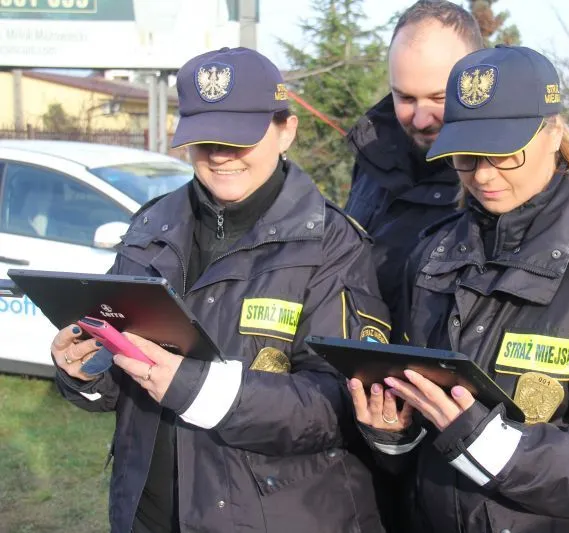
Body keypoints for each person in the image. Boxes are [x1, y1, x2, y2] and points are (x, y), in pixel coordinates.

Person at [350, 45, 569, 533]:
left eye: (504, 153)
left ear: (553, 132)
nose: (484, 175)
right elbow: (421, 440)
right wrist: (394, 436)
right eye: (466, 157)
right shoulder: (431, 256)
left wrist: (492, 445)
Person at [49, 47, 390, 533]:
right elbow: (119, 372)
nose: (221, 155)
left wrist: (198, 389)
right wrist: (85, 372)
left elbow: (340, 402)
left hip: (275, 517)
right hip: (148, 511)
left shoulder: (332, 244)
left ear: (285, 130)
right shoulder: (151, 227)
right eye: (205, 139)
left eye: (240, 137)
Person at [344, 0, 483, 325]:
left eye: (439, 98)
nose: (421, 120)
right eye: (405, 98)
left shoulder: (497, 181)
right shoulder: (371, 155)